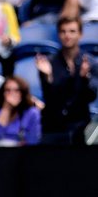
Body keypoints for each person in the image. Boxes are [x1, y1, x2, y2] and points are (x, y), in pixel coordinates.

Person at [35, 16, 97, 145]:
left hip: (80, 123)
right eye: (63, 31)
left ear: (80, 34)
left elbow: (91, 96)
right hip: (53, 124)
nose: (67, 35)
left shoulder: (90, 62)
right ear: (58, 34)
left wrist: (84, 79)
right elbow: (50, 99)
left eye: (72, 31)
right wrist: (47, 78)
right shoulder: (49, 63)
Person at [0, 75, 41, 146]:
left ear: (23, 93)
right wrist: (6, 109)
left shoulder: (32, 113)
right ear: (2, 93)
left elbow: (33, 141)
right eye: (8, 90)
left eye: (17, 90)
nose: (12, 94)